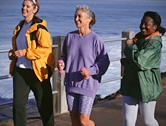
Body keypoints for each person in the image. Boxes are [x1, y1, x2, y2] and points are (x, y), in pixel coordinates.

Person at [57, 5, 110, 126]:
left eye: (79, 16)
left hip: (87, 84)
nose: (76, 19)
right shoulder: (70, 37)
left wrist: (90, 71)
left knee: (84, 121)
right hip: (71, 83)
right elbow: (64, 56)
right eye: (75, 16)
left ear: (89, 19)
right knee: (74, 119)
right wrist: (62, 63)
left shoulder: (96, 39)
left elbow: (104, 61)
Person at [8, 0, 55, 126]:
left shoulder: (40, 27)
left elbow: (46, 49)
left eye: (28, 6)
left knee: (44, 107)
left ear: (35, 9)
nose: (24, 8)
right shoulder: (19, 26)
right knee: (18, 106)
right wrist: (12, 53)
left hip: (37, 71)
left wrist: (25, 52)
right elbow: (19, 47)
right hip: (20, 71)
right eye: (23, 5)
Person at [120, 11, 166, 126]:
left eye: (146, 23)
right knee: (128, 121)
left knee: (148, 120)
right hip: (131, 83)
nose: (142, 26)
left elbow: (140, 61)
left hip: (147, 86)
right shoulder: (139, 39)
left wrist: (130, 46)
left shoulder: (154, 43)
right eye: (142, 22)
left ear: (155, 27)